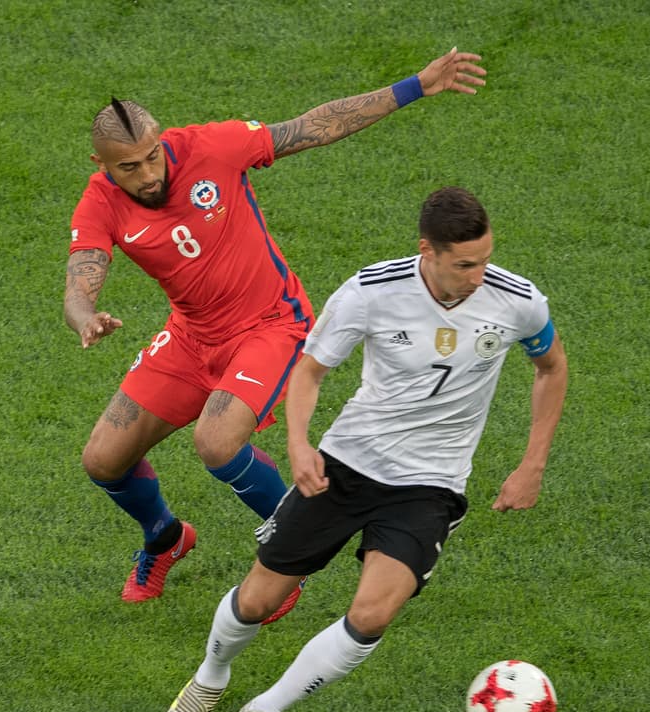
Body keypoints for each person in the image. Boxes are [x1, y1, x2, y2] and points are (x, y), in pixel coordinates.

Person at [160, 187, 569, 712]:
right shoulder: (371, 291)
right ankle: (210, 677)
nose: (480, 276)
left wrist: (532, 464)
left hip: (431, 483)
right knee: (258, 601)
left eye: (484, 259)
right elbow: (309, 371)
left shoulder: (517, 301)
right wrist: (299, 445)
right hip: (347, 465)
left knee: (373, 612)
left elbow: (551, 367)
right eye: (465, 264)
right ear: (427, 250)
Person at [65, 49, 488, 608]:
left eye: (151, 157)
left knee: (216, 442)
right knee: (102, 459)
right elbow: (79, 280)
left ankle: (285, 556)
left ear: (161, 139)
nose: (148, 175)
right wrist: (84, 317)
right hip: (192, 337)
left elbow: (312, 126)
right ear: (99, 163)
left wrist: (414, 86)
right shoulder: (100, 203)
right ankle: (165, 539)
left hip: (271, 325)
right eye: (128, 168)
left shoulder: (212, 146)